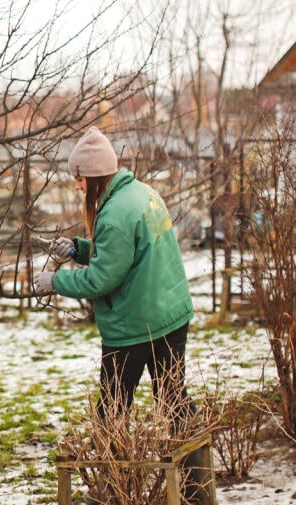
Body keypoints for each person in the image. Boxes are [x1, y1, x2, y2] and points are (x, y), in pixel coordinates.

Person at [31, 127, 195, 429]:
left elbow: (101, 280)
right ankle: (196, 473)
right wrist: (79, 250)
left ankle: (112, 474)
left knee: (112, 410)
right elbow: (128, 252)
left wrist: (55, 283)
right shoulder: (142, 193)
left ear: (93, 177)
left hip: (135, 324)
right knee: (174, 401)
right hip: (169, 314)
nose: (78, 187)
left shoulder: (114, 214)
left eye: (79, 179)